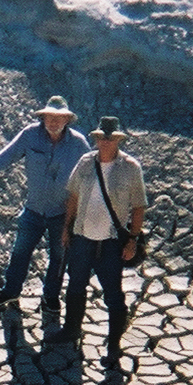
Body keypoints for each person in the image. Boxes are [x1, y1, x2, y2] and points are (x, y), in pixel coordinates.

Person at [0, 95, 89, 314]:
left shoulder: (79, 143)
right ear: (43, 118)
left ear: (67, 120)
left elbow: (90, 175)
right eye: (49, 117)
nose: (53, 122)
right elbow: (7, 155)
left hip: (62, 212)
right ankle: (11, 291)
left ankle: (50, 297)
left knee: (58, 257)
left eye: (59, 118)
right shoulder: (30, 135)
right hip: (33, 209)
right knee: (20, 252)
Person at [46, 117, 146, 366]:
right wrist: (67, 228)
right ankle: (71, 331)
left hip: (111, 242)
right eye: (101, 137)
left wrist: (132, 240)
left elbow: (139, 207)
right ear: (96, 138)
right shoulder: (85, 162)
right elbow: (73, 197)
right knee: (75, 287)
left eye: (110, 138)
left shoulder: (131, 168)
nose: (104, 142)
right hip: (82, 238)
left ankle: (113, 345)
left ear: (118, 140)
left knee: (114, 295)